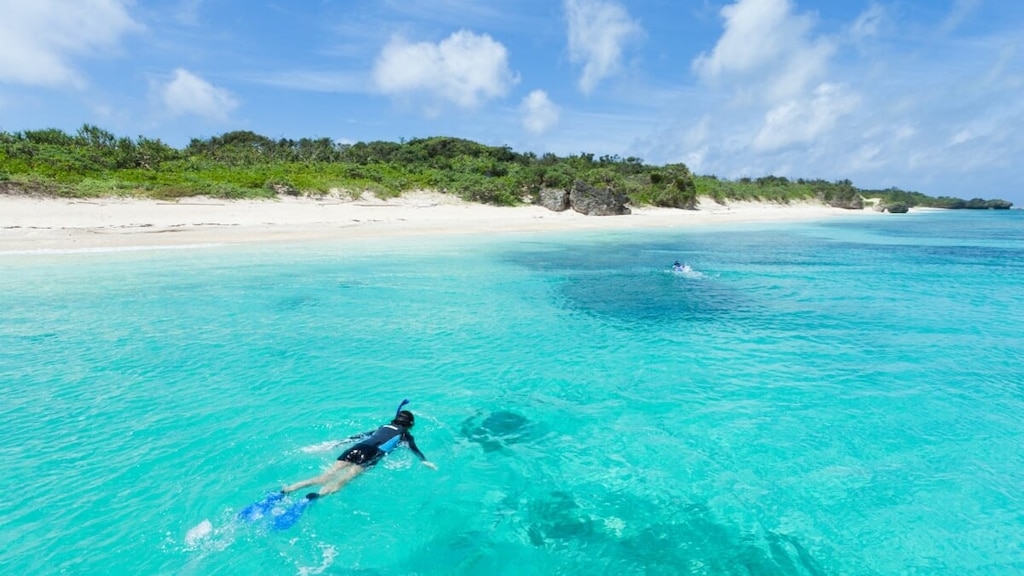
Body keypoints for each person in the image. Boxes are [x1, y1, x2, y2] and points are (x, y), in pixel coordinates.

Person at [282, 408, 437, 501]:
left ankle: (289, 489)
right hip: (370, 454)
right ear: (410, 425)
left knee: (324, 477)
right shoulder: (405, 435)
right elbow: (414, 449)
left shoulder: (383, 426)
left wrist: (337, 444)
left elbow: (360, 436)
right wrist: (424, 461)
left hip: (356, 448)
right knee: (343, 480)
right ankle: (319, 495)